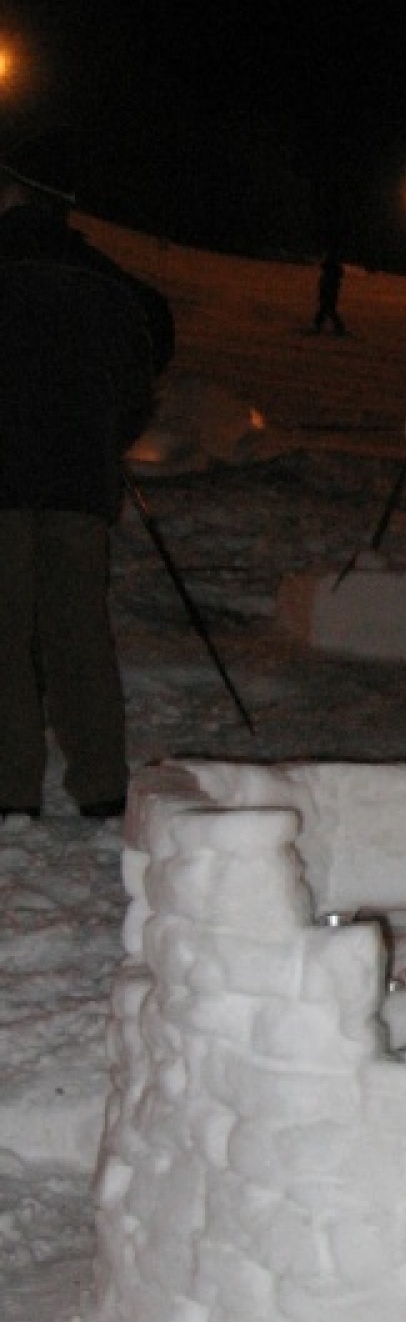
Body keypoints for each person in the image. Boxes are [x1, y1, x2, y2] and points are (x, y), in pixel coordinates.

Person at [0, 132, 175, 821]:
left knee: (5, 634)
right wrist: (104, 436)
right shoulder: (106, 281)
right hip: (80, 481)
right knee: (78, 630)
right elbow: (144, 365)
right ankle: (101, 782)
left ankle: (11, 787)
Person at [312, 251, 346, 335]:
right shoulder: (333, 271)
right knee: (326, 309)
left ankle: (338, 326)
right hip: (329, 291)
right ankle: (318, 324)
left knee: (328, 309)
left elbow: (328, 283)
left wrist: (325, 292)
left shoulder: (331, 271)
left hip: (329, 292)